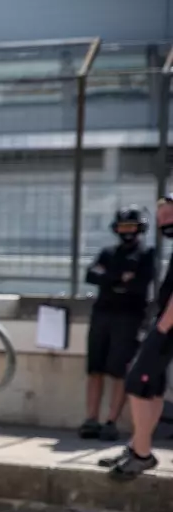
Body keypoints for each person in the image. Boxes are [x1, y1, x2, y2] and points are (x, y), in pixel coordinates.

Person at [100, 195, 173, 480]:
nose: (165, 221)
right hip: (164, 325)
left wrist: (162, 328)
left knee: (137, 381)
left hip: (167, 327)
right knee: (150, 385)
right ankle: (137, 447)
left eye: (169, 215)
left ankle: (141, 454)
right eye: (162, 217)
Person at [79, 205, 154, 441]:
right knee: (95, 369)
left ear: (140, 228)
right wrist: (118, 278)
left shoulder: (146, 255)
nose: (127, 232)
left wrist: (109, 279)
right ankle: (91, 419)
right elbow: (90, 274)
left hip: (129, 318)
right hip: (102, 314)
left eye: (131, 226)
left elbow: (139, 285)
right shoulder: (108, 252)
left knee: (119, 371)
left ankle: (111, 421)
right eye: (123, 227)